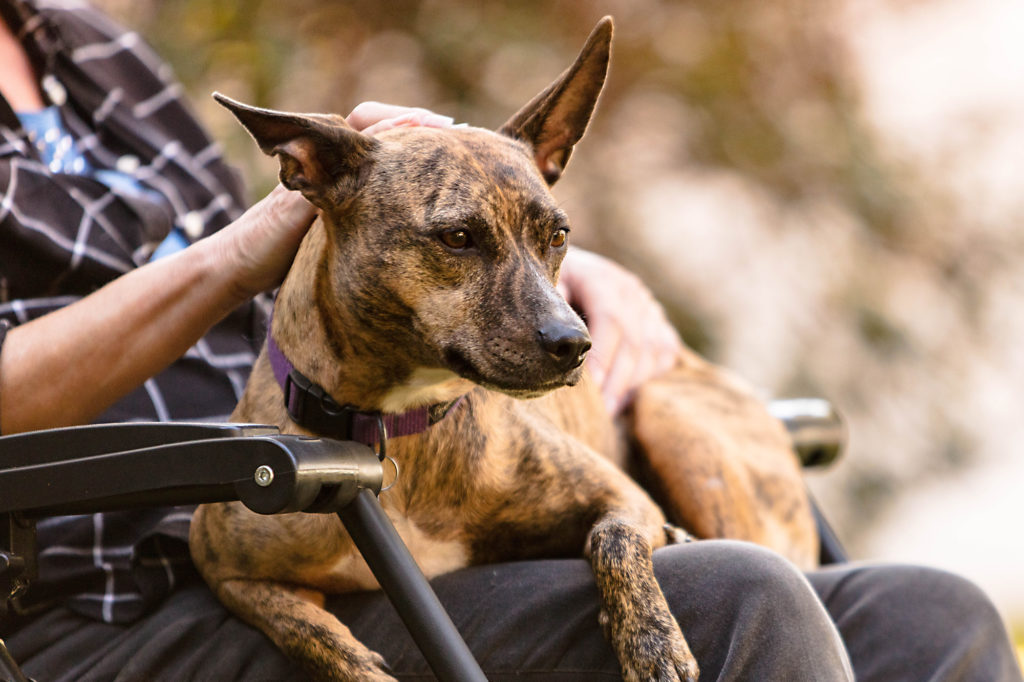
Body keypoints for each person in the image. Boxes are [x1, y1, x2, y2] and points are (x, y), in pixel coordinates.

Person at [0, 1, 1019, 680]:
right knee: (736, 601)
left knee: (931, 616)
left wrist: (575, 269)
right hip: (119, 587)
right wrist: (242, 248)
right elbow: (274, 237)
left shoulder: (85, 45)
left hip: (383, 469)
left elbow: (381, 240)